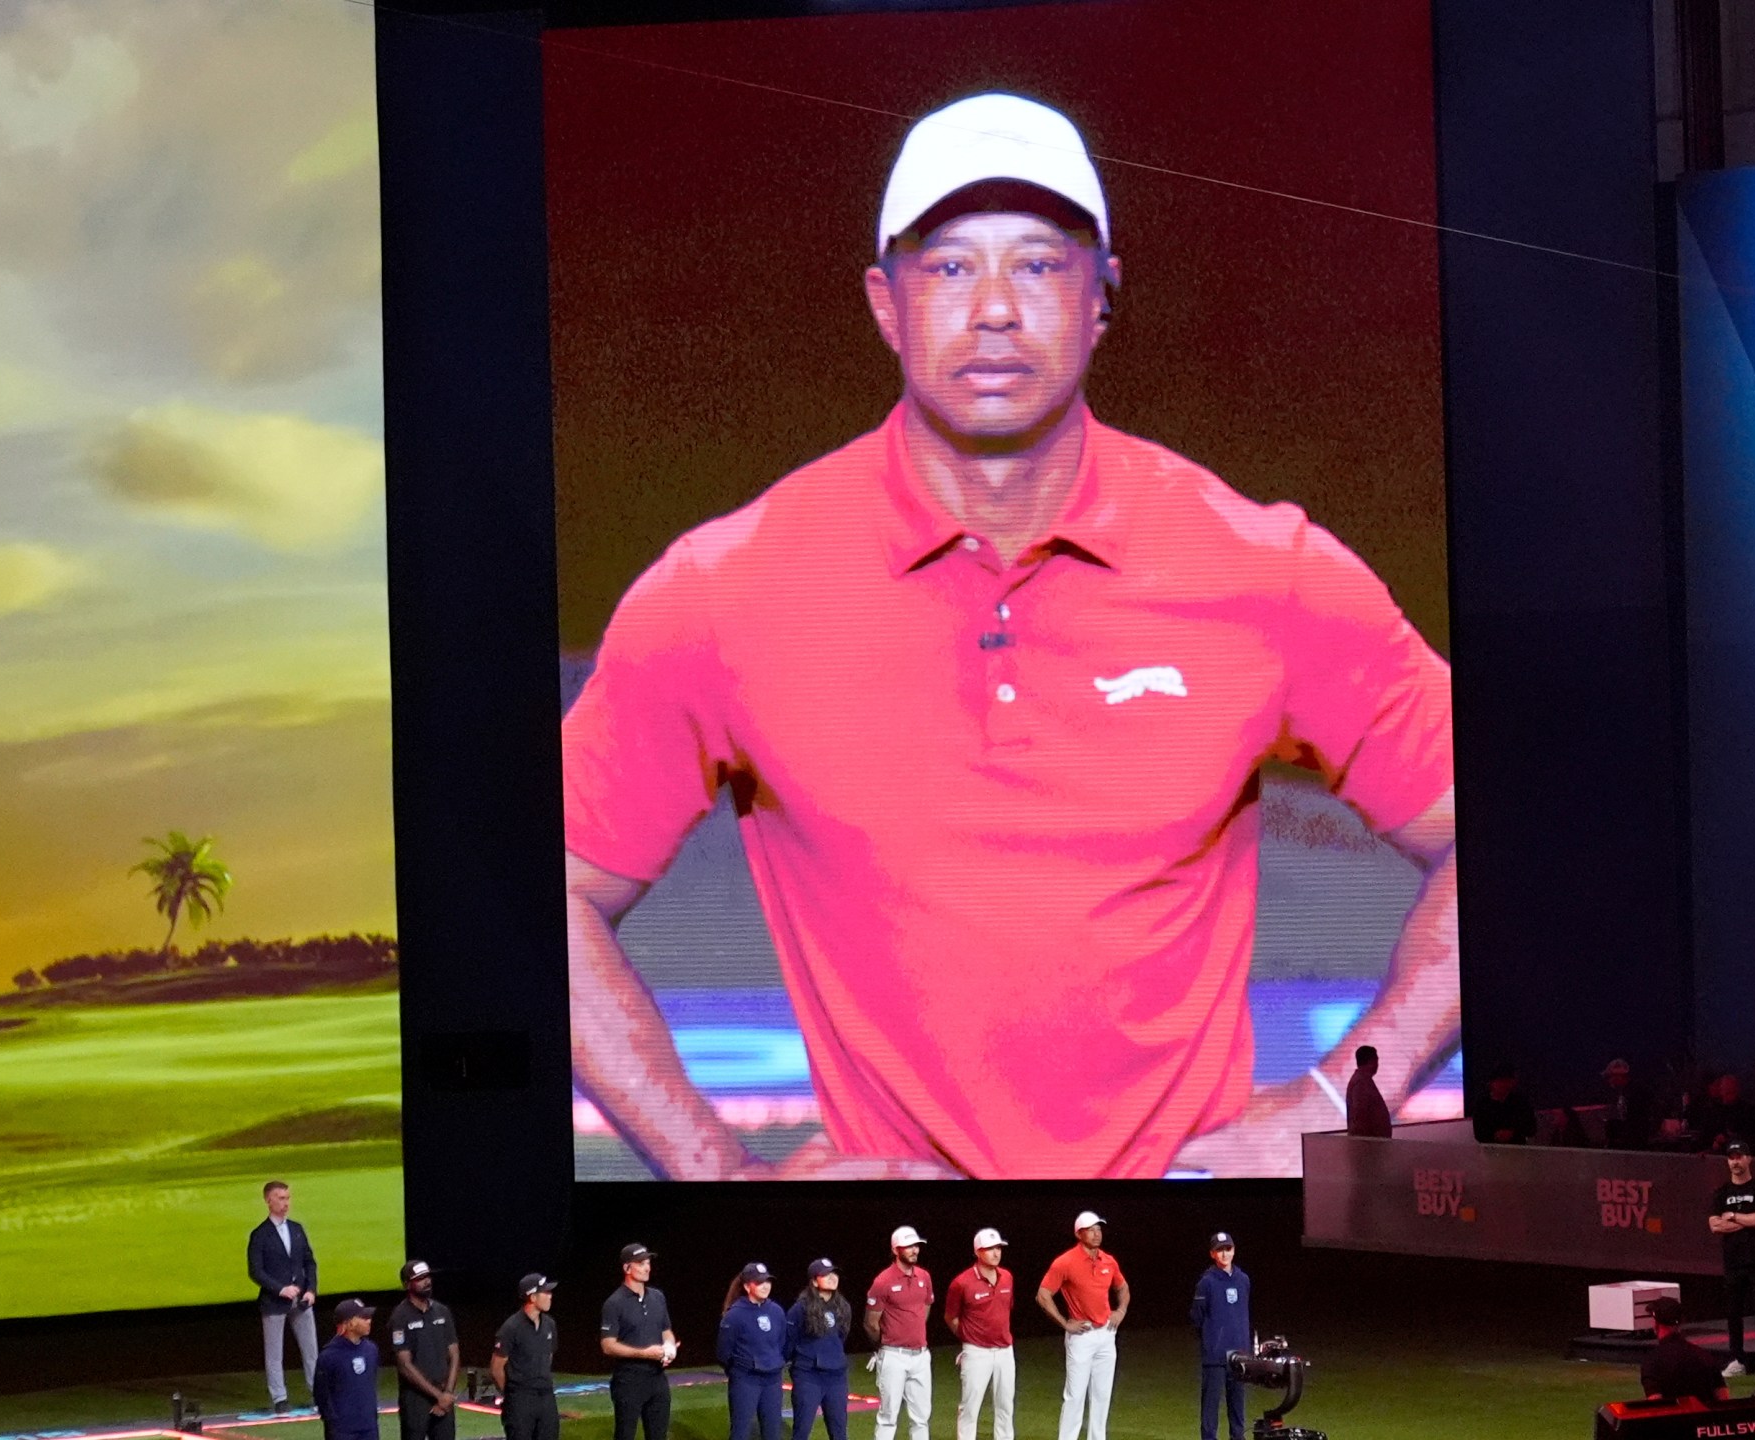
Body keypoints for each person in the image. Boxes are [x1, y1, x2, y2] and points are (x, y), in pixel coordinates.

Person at [560, 91, 1459, 1182]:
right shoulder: (723, 591)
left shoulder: (1263, 572)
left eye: (1038, 264)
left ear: (1101, 299)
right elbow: (547, 892)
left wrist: (1335, 1095)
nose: (993, 308)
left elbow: (1497, 838)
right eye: (948, 267)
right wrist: (724, 1179)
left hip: (1181, 1250)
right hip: (894, 1279)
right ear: (885, 304)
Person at [1038, 1211, 1129, 1440]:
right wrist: (1064, 1324)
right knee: (1075, 1395)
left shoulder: (1108, 1260)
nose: (1097, 1233)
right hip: (1083, 1335)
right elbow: (1043, 1294)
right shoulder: (1065, 1262)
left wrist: (1120, 1311)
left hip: (1107, 1334)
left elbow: (1123, 1288)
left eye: (1099, 1229)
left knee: (1102, 1394)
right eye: (1091, 1229)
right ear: (1079, 1233)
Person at [247, 1179, 320, 1412]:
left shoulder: (296, 1229)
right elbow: (256, 1271)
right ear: (268, 1200)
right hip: (274, 1303)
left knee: (311, 1351)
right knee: (274, 1354)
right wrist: (280, 1289)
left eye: (288, 1198)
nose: (286, 1203)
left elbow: (309, 1262)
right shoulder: (260, 1235)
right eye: (281, 1198)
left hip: (301, 1301)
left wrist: (311, 1289)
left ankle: (318, 1392)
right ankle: (280, 1398)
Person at [1707, 1143, 1755, 1380]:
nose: (1735, 1162)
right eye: (1731, 1158)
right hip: (1733, 1260)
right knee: (1733, 1312)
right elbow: (1715, 1225)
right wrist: (1748, 1219)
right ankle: (1737, 1359)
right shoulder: (1721, 1193)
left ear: (1749, 1158)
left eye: (1739, 1157)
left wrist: (1735, 1217)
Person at [944, 1228, 1017, 1440]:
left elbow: (1005, 1309)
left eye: (998, 1248)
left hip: (1005, 1350)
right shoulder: (961, 1282)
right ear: (978, 1251)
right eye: (990, 1249)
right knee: (970, 1407)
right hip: (977, 1352)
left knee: (1005, 1405)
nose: (996, 1253)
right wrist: (969, 1337)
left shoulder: (1007, 1278)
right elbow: (951, 1317)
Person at [864, 1225, 934, 1440]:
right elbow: (871, 1323)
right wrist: (885, 1345)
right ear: (896, 1250)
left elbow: (925, 1308)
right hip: (894, 1355)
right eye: (909, 1246)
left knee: (921, 1417)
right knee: (888, 1416)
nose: (914, 1250)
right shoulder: (883, 1281)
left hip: (921, 1355)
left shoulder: (924, 1276)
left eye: (916, 1245)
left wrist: (913, 1332)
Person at [599, 1246, 674, 1440]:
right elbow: (608, 1345)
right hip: (629, 1380)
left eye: (648, 1263)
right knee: (625, 1434)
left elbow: (666, 1331)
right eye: (641, 1264)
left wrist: (669, 1348)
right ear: (627, 1268)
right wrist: (644, 1353)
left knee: (659, 1435)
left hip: (657, 1379)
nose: (647, 1268)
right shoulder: (614, 1303)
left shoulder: (658, 1297)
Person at [386, 1260, 462, 1440]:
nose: (426, 1281)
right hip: (415, 1401)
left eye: (427, 1277)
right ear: (407, 1284)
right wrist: (438, 1395)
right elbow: (405, 1365)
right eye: (419, 1278)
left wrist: (448, 1394)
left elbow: (454, 1353)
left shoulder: (442, 1311)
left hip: (444, 1395)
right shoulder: (400, 1317)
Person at [1190, 1233, 1251, 1440]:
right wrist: (1211, 1338)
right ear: (1212, 1254)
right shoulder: (1206, 1282)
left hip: (1240, 1355)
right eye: (1219, 1250)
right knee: (1210, 1408)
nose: (1224, 1254)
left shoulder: (1243, 1280)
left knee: (1237, 1407)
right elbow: (1197, 1316)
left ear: (1233, 1250)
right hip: (1215, 1356)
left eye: (1228, 1249)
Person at [719, 1263, 789, 1440]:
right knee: (741, 1431)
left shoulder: (777, 1311)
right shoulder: (734, 1315)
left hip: (772, 1380)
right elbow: (724, 1352)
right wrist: (740, 1370)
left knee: (773, 1432)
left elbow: (781, 1342)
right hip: (746, 1380)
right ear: (746, 1286)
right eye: (759, 1282)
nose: (765, 1286)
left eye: (767, 1281)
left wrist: (773, 1362)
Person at [786, 1259, 854, 1440]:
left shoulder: (843, 1307)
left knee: (839, 1432)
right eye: (825, 1274)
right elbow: (789, 1341)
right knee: (802, 1430)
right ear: (814, 1281)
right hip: (809, 1376)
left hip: (836, 1377)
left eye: (834, 1273)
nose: (832, 1277)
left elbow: (841, 1338)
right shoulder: (800, 1309)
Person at [496, 1273, 562, 1440]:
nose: (550, 1296)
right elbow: (497, 1367)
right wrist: (512, 1395)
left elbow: (549, 1356)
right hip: (521, 1398)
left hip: (546, 1396)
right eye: (545, 1292)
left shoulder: (549, 1324)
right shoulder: (511, 1327)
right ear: (532, 1297)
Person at [313, 1298, 381, 1440]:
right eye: (363, 1318)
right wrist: (333, 1421)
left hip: (369, 1427)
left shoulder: (371, 1349)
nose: (369, 1321)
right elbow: (321, 1394)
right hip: (342, 1430)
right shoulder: (329, 1356)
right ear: (349, 1323)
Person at [1638, 1297, 1728, 1404]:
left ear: (1655, 1324)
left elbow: (1656, 1404)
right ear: (1680, 1323)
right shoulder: (1704, 1356)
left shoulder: (1652, 1362)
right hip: (1705, 1419)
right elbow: (1724, 1400)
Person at [1600, 1059, 1656, 1150]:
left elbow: (1637, 1119)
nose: (1609, 1081)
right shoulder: (1623, 1091)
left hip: (1636, 1140)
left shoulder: (1637, 1091)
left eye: (1610, 1077)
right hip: (1631, 1138)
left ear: (1619, 1076)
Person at [1471, 1066, 1536, 1144]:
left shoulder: (1521, 1102)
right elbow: (1479, 1133)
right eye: (1500, 1081)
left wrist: (1512, 1133)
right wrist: (1495, 1136)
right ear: (1491, 1083)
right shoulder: (1482, 1104)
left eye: (1507, 1081)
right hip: (1491, 1150)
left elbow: (1531, 1129)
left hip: (1518, 1149)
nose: (1504, 1084)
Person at [1343, 1045, 1393, 1138]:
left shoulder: (1363, 1080)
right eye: (1376, 1060)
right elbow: (1360, 1116)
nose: (1377, 1064)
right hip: (1369, 1147)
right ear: (1371, 1061)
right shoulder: (1361, 1083)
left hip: (1372, 1145)